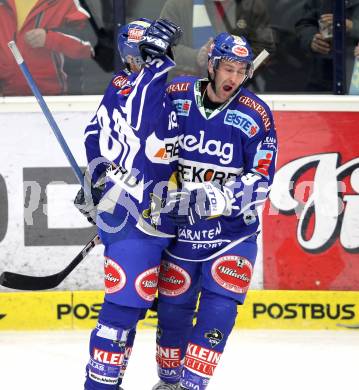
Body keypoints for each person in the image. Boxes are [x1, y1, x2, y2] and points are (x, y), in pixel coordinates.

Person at [152, 32, 278, 390]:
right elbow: (147, 143)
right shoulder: (176, 96)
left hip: (232, 235)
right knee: (173, 313)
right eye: (228, 69)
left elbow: (261, 181)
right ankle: (168, 381)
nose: (234, 78)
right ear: (211, 66)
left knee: (218, 313)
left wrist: (212, 199)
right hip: (180, 232)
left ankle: (193, 385)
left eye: (241, 71)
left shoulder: (256, 116)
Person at [74, 18, 182, 389]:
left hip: (174, 216)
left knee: (177, 311)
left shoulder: (160, 87)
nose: (143, 64)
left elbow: (93, 136)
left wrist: (95, 179)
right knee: (123, 309)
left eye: (150, 57)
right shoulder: (132, 88)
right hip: (135, 216)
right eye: (139, 58)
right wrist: (97, 181)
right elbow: (119, 128)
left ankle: (172, 382)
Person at [159, 0, 275, 84]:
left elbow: (266, 49)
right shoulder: (178, 4)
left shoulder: (253, 5)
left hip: (238, 92)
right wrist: (196, 56)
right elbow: (160, 46)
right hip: (184, 89)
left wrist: (236, 63)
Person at [0, 0, 93, 96]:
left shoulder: (67, 2)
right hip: (7, 100)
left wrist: (49, 38)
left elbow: (90, 45)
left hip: (58, 100)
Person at [295, 0, 359, 92]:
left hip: (355, 78)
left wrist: (353, 27)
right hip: (322, 76)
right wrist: (311, 39)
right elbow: (305, 23)